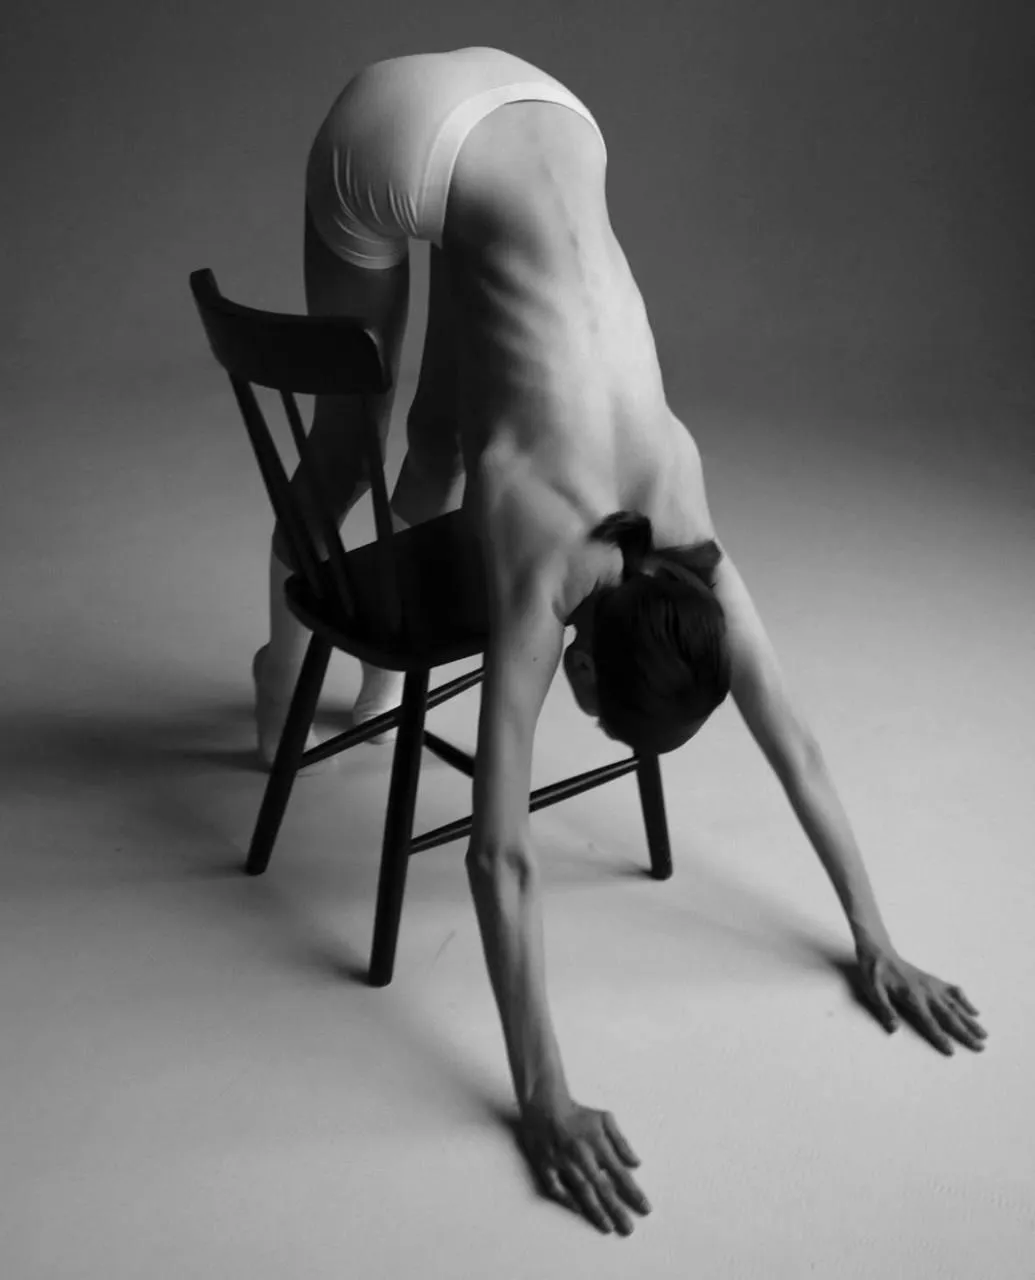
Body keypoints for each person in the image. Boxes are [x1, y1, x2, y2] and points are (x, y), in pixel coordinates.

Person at [252, 47, 988, 1236]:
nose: (564, 707)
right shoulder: (552, 561)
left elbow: (790, 736)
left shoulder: (686, 534)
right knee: (354, 455)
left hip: (545, 103)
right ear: (581, 656)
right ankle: (279, 655)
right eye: (583, 705)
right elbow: (501, 855)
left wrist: (878, 937)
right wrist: (544, 1095)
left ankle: (352, 668)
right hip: (401, 135)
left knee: (439, 452)